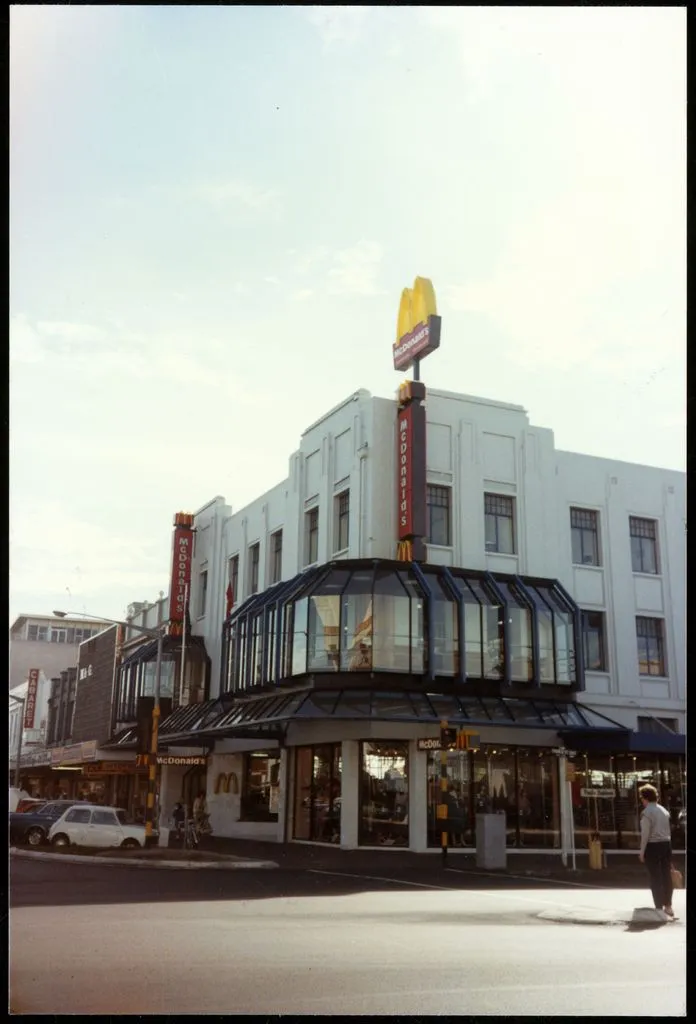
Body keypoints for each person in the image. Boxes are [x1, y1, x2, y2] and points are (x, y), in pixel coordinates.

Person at [638, 784, 675, 919]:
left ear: (645, 798)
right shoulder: (664, 811)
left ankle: (658, 907)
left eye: (642, 798)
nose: (642, 801)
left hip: (652, 846)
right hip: (666, 844)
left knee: (655, 877)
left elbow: (645, 834)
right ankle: (668, 906)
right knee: (666, 876)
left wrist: (642, 851)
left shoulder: (647, 813)